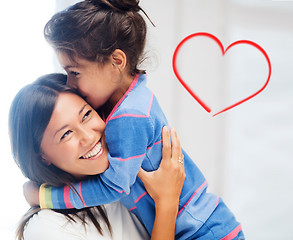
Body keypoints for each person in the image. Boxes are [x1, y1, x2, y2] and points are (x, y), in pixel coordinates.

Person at [24, 0, 245, 239]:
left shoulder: (128, 117)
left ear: (116, 62)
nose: (70, 84)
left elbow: (114, 186)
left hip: (203, 231)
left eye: (75, 72)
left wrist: (45, 196)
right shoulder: (134, 96)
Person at [9, 73, 186, 240]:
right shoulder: (45, 228)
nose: (88, 136)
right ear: (42, 157)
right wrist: (167, 202)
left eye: (86, 115)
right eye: (66, 134)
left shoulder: (126, 173)